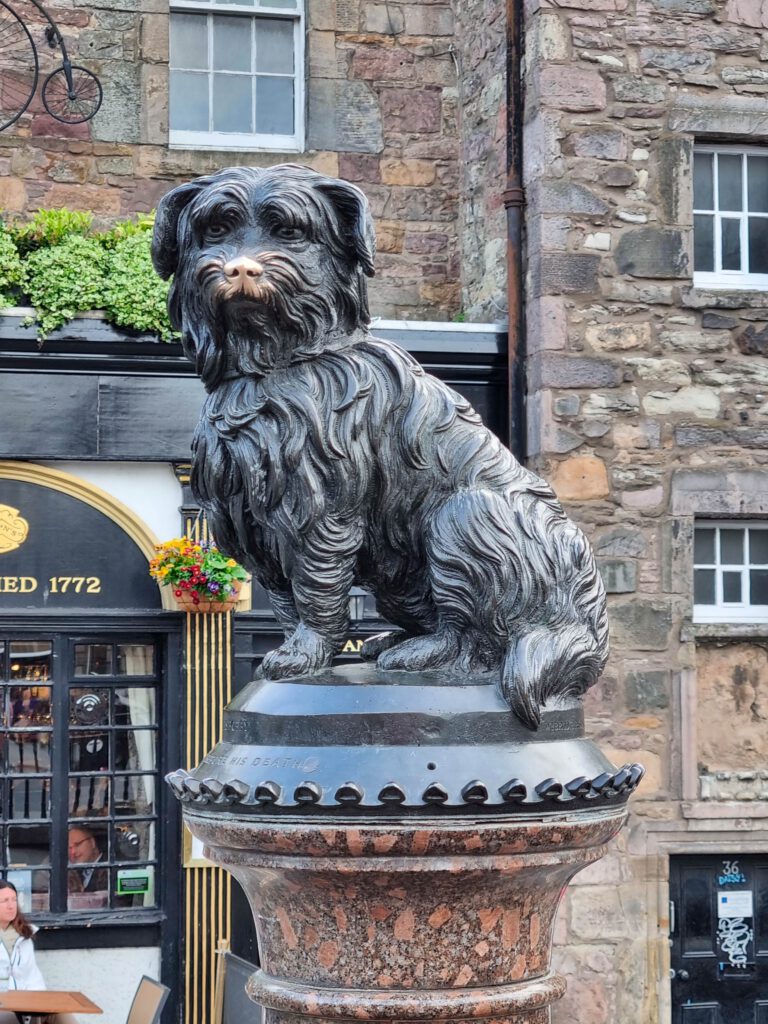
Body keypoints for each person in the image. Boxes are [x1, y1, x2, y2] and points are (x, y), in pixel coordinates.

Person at [0, 880, 78, 1024]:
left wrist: (40, 1004)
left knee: (62, 1015)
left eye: (13, 900)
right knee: (9, 1018)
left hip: (28, 1005)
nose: (11, 906)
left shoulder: (25, 935)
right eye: (4, 901)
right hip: (3, 1007)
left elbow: (32, 976)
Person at [67, 827, 108, 907]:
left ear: (92, 843)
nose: (73, 852)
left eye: (78, 844)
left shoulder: (111, 868)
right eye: (69, 848)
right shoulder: (72, 871)